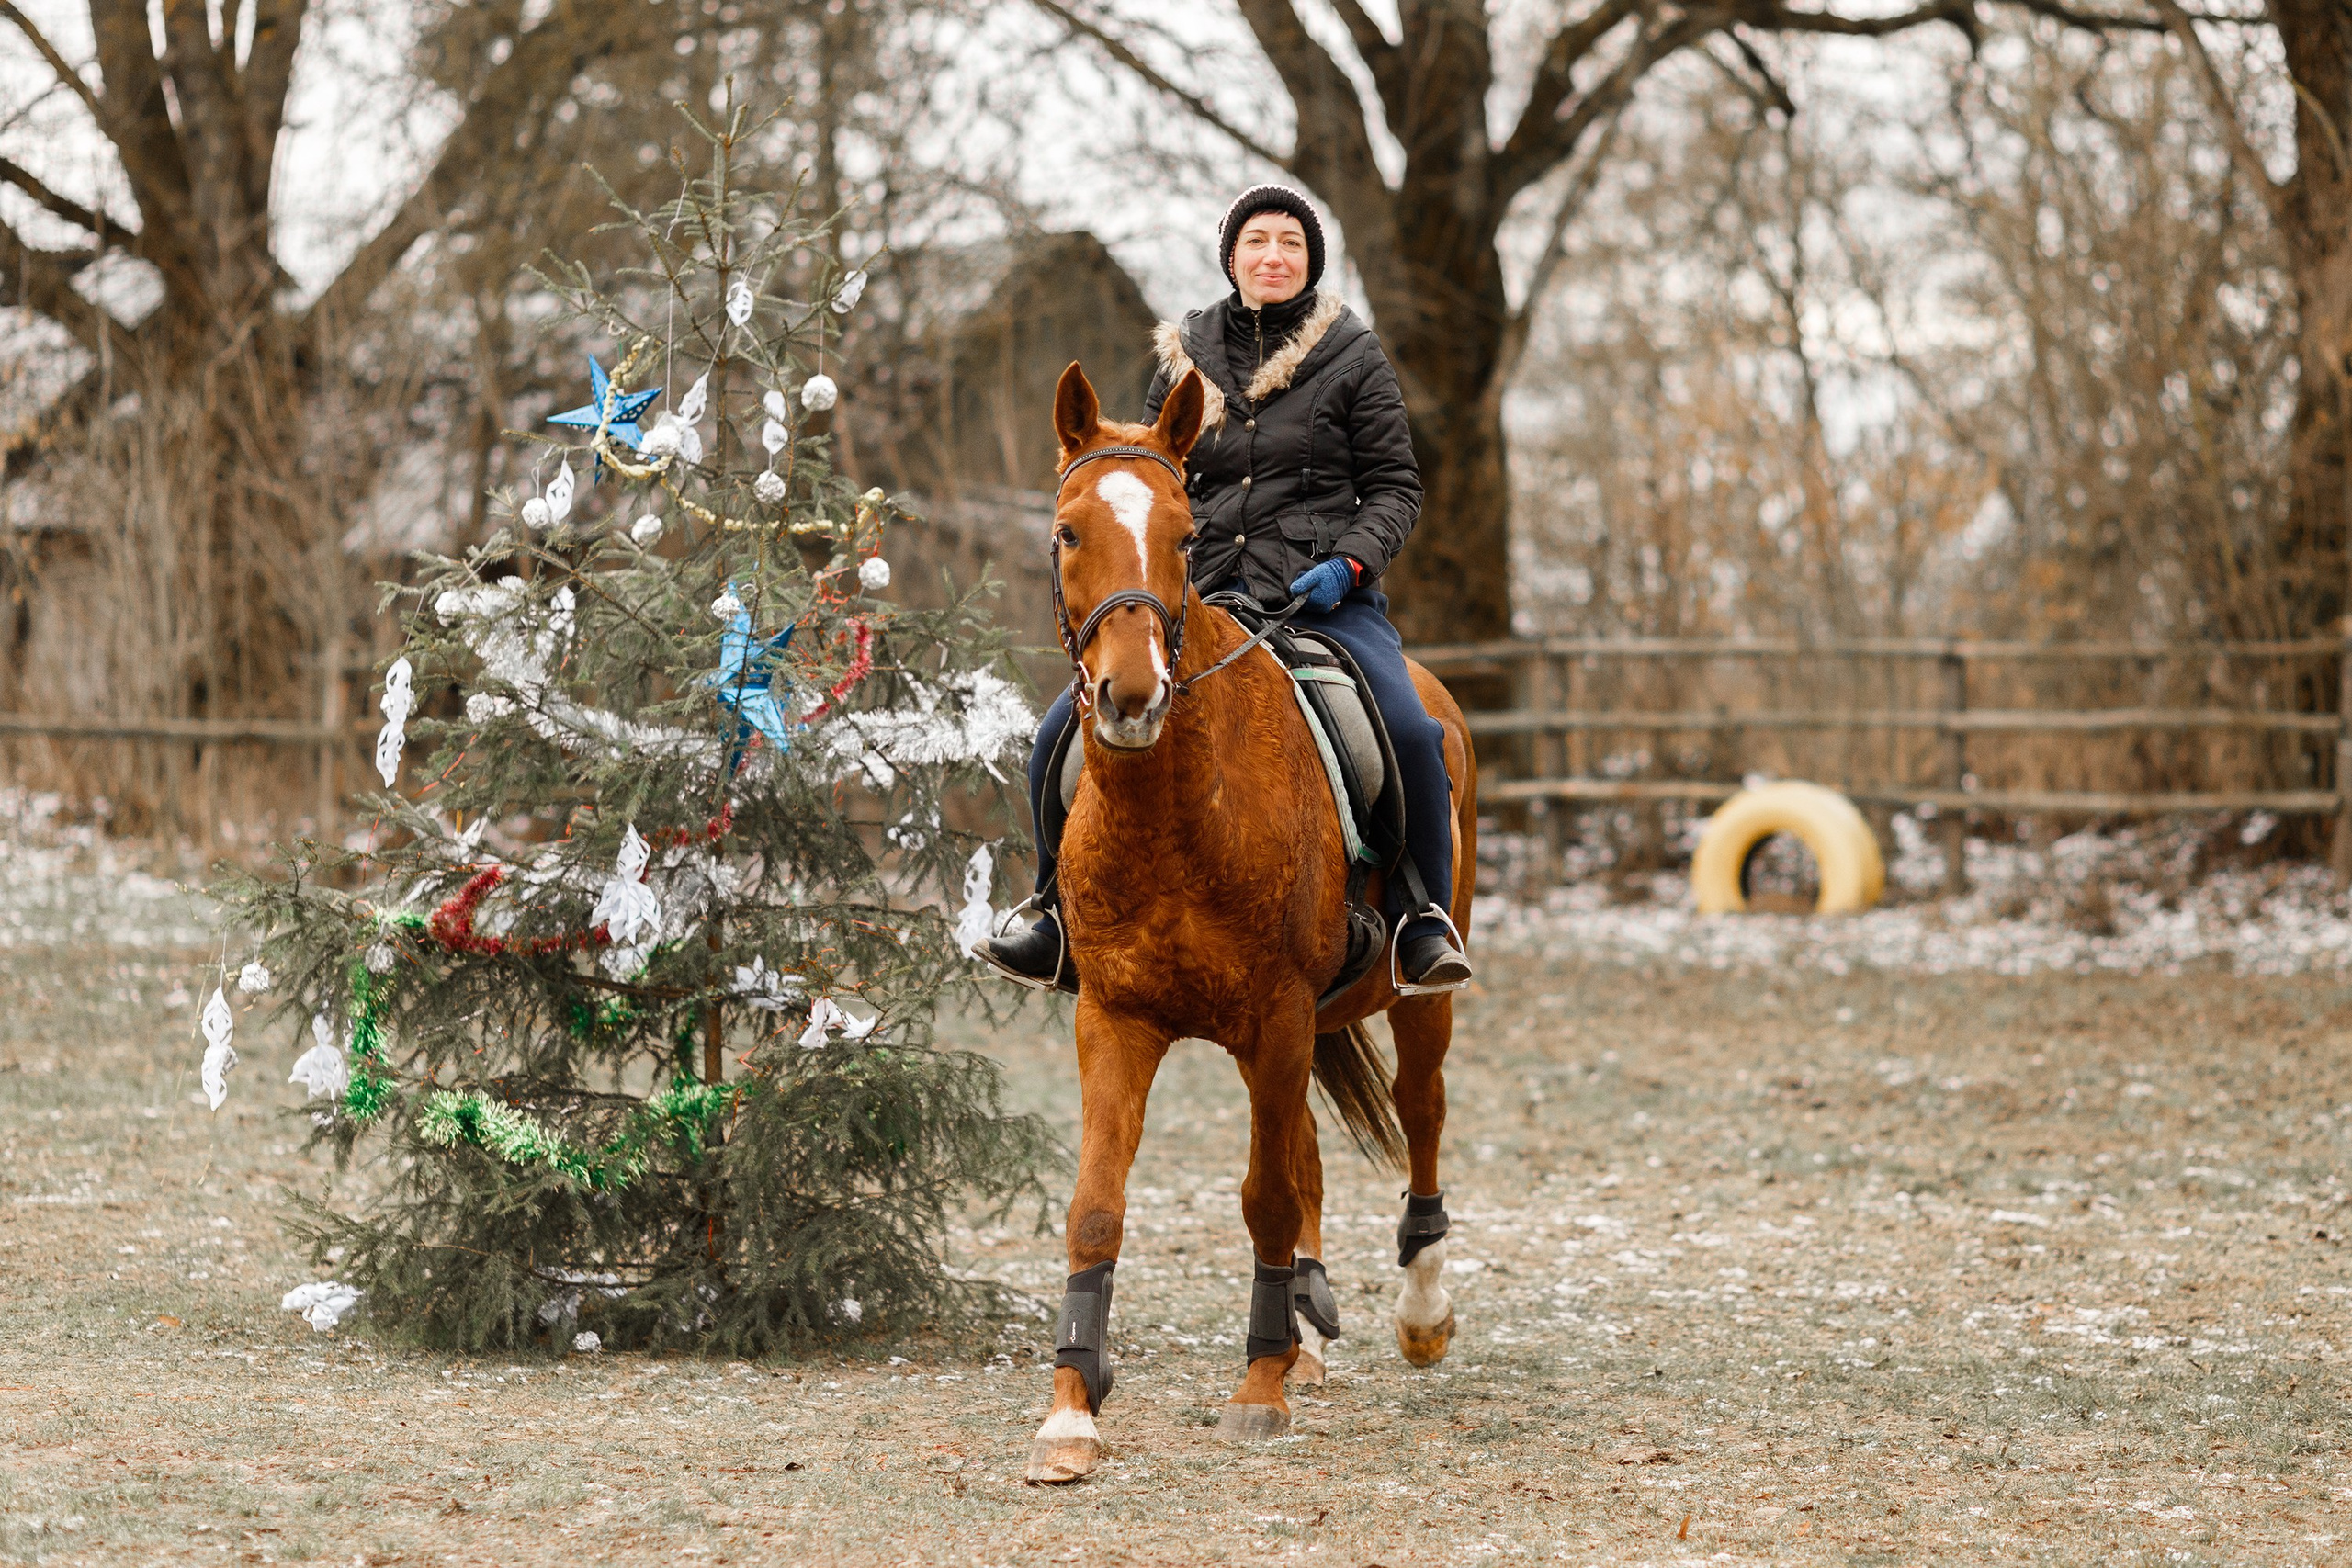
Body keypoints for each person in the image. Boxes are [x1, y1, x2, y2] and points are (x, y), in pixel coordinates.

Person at [979, 184, 1473, 990]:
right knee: (1053, 737)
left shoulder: (1354, 354)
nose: (1274, 255)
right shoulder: (1187, 354)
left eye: (1291, 244)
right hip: (1197, 598)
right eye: (1258, 241)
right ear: (1232, 256)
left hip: (1324, 600)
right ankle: (1050, 912)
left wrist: (1347, 563)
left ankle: (1421, 916)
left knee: (1412, 733)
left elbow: (1395, 487)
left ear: (1309, 262)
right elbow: (1146, 468)